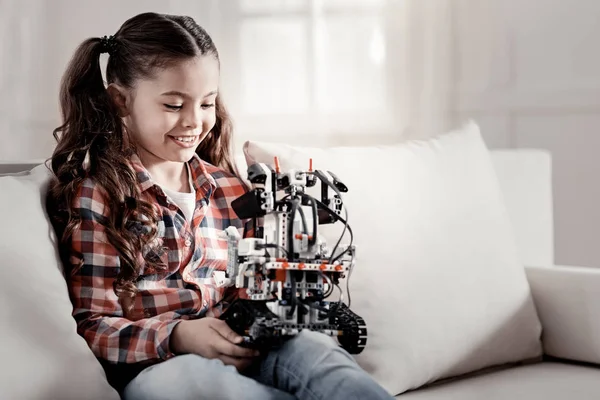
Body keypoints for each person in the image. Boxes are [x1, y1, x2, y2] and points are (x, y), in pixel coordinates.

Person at [46, 12, 393, 400]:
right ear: (120, 101)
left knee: (319, 356)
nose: (194, 121)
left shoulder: (230, 189)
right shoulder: (101, 195)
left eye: (207, 103)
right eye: (174, 106)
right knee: (207, 386)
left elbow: (251, 288)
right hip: (160, 365)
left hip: (242, 344)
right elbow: (95, 325)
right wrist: (178, 335)